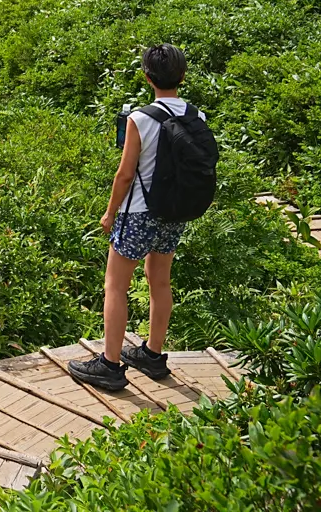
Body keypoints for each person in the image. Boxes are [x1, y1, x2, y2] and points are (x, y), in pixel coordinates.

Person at [68, 43, 196, 392]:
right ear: (182, 76)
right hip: (175, 211)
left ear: (146, 77)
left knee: (115, 286)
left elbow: (125, 174)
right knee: (161, 282)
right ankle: (153, 355)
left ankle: (109, 365)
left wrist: (110, 212)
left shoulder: (139, 118)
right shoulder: (195, 116)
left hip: (138, 213)